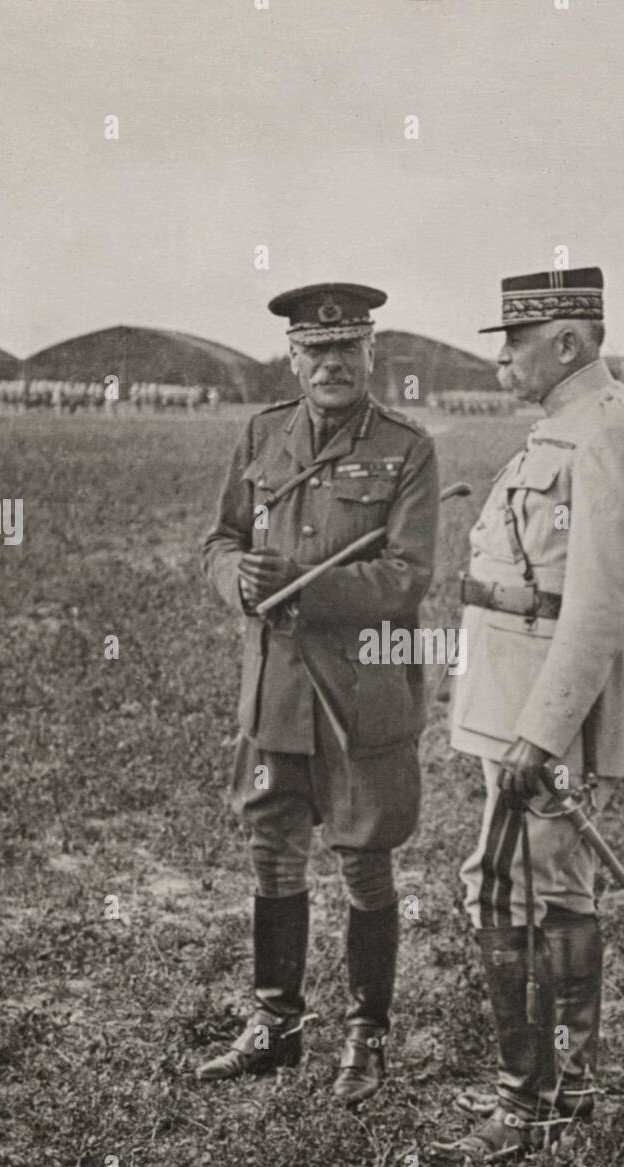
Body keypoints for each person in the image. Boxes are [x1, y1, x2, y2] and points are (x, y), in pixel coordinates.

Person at [435, 267, 624, 1161]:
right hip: (515, 697)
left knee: (506, 891)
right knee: (553, 890)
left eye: (515, 340)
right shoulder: (568, 427)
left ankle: (525, 1106)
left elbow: (600, 603)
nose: (500, 358)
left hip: (538, 710)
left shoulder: (604, 433)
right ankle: (560, 1096)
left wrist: (543, 728)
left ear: (567, 344)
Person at [201, 282, 441, 1106]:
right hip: (275, 691)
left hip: (359, 691)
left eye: (348, 350)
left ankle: (366, 1039)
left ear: (372, 356)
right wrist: (236, 578)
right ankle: (276, 1024)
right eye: (316, 351)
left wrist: (302, 587)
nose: (332, 364)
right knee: (272, 849)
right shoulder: (262, 434)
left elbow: (407, 576)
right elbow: (221, 538)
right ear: (293, 358)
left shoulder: (408, 448)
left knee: (363, 860)